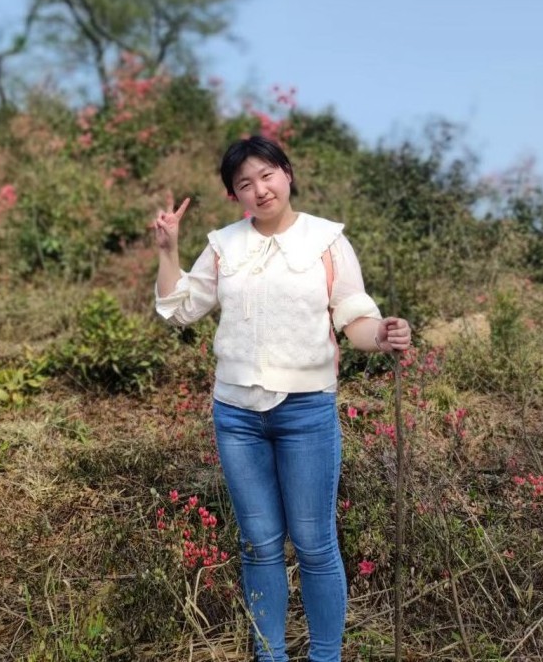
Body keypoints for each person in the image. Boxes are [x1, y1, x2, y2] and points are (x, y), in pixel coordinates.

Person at [153, 136, 411, 662]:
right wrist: (167, 250)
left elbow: (355, 318)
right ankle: (269, 656)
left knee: (315, 545)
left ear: (287, 174)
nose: (260, 189)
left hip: (306, 411)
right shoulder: (224, 245)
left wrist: (383, 335)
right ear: (235, 196)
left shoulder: (326, 240)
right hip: (236, 416)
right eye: (244, 183)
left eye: (267, 175)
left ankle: (325, 656)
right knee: (259, 544)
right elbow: (180, 310)